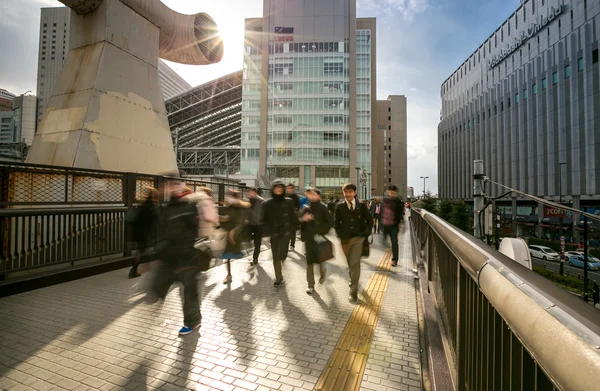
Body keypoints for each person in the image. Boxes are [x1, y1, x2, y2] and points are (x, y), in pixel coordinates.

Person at [151, 178, 210, 336]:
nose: (168, 189)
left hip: (186, 256)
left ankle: (192, 321)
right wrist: (158, 254)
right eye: (166, 186)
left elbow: (194, 230)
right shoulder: (164, 208)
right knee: (158, 287)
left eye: (172, 185)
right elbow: (160, 231)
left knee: (189, 291)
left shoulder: (188, 206)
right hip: (169, 256)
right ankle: (153, 311)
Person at [335, 183, 373, 304]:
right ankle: (353, 280)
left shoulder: (361, 206)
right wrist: (340, 234)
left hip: (358, 238)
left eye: (350, 192)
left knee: (354, 264)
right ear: (343, 193)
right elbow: (336, 223)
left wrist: (365, 234)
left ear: (355, 193)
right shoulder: (339, 206)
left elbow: (370, 220)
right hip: (345, 240)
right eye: (346, 192)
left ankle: (353, 291)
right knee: (351, 265)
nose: (348, 194)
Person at [299, 188, 334, 295]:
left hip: (319, 240)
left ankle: (323, 274)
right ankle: (310, 285)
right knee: (309, 262)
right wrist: (303, 220)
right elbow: (298, 221)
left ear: (318, 196)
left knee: (319, 261)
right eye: (309, 194)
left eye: (313, 194)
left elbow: (331, 222)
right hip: (309, 240)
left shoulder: (323, 207)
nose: (311, 196)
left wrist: (321, 231)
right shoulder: (305, 208)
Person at [262, 180, 296, 286]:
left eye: (281, 188)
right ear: (273, 189)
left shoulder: (289, 201)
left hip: (285, 233)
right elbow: (264, 220)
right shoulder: (267, 204)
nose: (279, 190)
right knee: (276, 256)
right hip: (274, 233)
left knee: (282, 254)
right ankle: (278, 277)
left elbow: (293, 217)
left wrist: (292, 229)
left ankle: (282, 261)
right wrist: (268, 231)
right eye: (276, 188)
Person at [128, 188, 160, 278]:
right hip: (148, 232)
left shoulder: (143, 204)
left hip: (140, 231)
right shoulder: (152, 206)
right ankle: (134, 270)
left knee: (141, 250)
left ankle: (135, 269)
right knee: (144, 250)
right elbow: (156, 219)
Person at [220, 190, 250, 284]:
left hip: (237, 236)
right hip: (229, 235)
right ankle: (228, 275)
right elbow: (226, 219)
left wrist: (233, 232)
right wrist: (223, 219)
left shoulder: (241, 208)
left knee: (239, 254)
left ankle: (249, 265)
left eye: (229, 196)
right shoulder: (228, 207)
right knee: (227, 256)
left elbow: (241, 223)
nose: (227, 197)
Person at [381, 184, 405, 267]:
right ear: (388, 192)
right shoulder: (384, 201)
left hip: (394, 225)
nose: (392, 195)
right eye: (391, 193)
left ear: (396, 193)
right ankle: (387, 249)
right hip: (385, 225)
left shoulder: (398, 202)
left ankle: (395, 259)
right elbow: (381, 211)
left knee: (394, 242)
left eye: (394, 193)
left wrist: (399, 224)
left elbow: (400, 213)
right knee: (384, 240)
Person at [247, 187, 264, 265]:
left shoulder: (261, 201)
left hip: (259, 225)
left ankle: (255, 258)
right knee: (248, 238)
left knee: (257, 243)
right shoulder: (247, 201)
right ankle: (250, 248)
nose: (250, 194)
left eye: (252, 192)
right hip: (250, 224)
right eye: (250, 192)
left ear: (255, 193)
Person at [286, 183, 301, 250]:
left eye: (291, 188)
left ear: (293, 189)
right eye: (288, 188)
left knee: (292, 231)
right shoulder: (284, 195)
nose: (289, 190)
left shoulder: (295, 197)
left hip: (292, 217)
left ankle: (292, 245)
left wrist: (294, 213)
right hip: (285, 216)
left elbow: (298, 206)